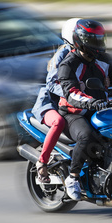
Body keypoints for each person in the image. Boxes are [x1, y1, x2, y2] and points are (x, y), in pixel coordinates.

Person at [58, 19, 112, 201]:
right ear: (80, 40)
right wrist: (93, 102)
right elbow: (71, 94)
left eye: (100, 39)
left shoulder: (103, 60)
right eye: (93, 40)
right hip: (74, 113)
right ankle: (73, 178)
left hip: (100, 109)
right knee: (86, 136)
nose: (98, 44)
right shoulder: (69, 65)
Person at [31, 18, 81, 187]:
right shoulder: (62, 54)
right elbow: (51, 83)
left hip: (71, 103)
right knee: (58, 122)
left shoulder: (84, 54)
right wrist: (72, 94)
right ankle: (42, 163)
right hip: (50, 103)